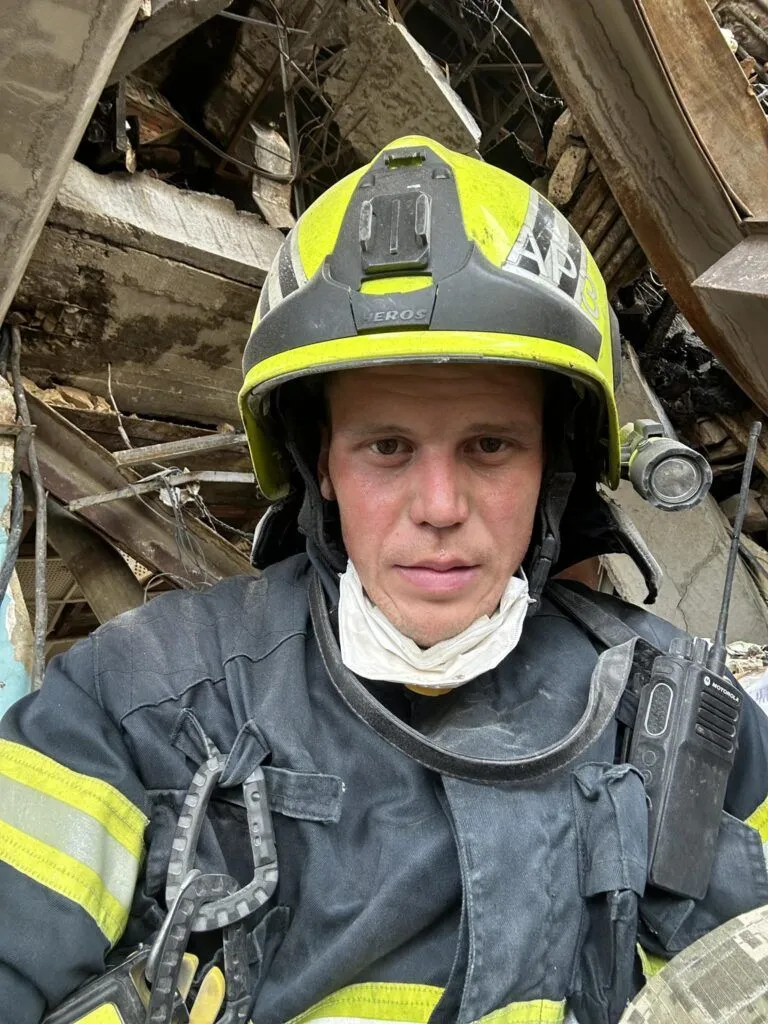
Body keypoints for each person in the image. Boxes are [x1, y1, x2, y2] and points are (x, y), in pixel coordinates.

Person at [2, 135, 768, 1024]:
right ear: (319, 464)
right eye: (387, 447)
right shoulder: (136, 701)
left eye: (490, 445)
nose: (439, 507)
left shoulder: (681, 715)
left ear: (553, 467)